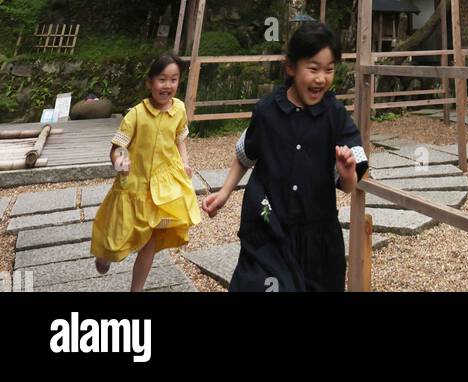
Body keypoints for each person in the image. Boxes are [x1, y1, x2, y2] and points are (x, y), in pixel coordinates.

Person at [203, 21, 368, 292]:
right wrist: (223, 193)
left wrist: (348, 173)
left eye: (329, 70)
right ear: (291, 67)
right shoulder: (267, 111)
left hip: (318, 236)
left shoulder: (335, 114)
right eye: (313, 68)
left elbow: (350, 183)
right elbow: (245, 154)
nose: (321, 78)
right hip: (268, 224)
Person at [90, 53, 201, 291]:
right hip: (132, 186)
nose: (168, 85)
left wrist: (185, 162)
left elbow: (180, 138)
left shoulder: (179, 109)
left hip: (161, 189)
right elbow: (117, 148)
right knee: (116, 237)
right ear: (149, 83)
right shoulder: (136, 115)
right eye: (162, 79)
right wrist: (120, 163)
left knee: (150, 242)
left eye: (173, 79)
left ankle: (136, 289)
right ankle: (104, 255)